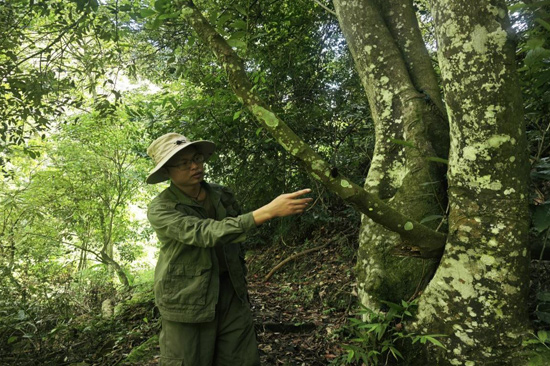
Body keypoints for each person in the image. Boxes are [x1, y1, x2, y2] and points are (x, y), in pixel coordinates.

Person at [145, 132, 312, 366]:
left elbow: (233, 235)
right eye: (184, 163)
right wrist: (266, 212)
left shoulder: (221, 194)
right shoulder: (161, 209)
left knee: (242, 358)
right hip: (186, 299)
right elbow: (204, 232)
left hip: (231, 292)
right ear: (167, 172)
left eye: (197, 158)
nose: (194, 166)